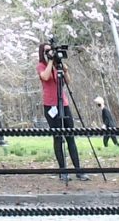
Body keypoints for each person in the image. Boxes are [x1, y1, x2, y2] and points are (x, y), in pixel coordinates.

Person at [38, 41, 81, 179]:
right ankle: (63, 171)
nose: (50, 52)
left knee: (70, 137)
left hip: (64, 104)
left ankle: (78, 170)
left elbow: (68, 81)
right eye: (47, 51)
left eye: (52, 50)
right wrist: (50, 61)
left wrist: (63, 66)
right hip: (50, 105)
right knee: (58, 137)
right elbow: (45, 77)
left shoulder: (58, 66)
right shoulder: (41, 66)